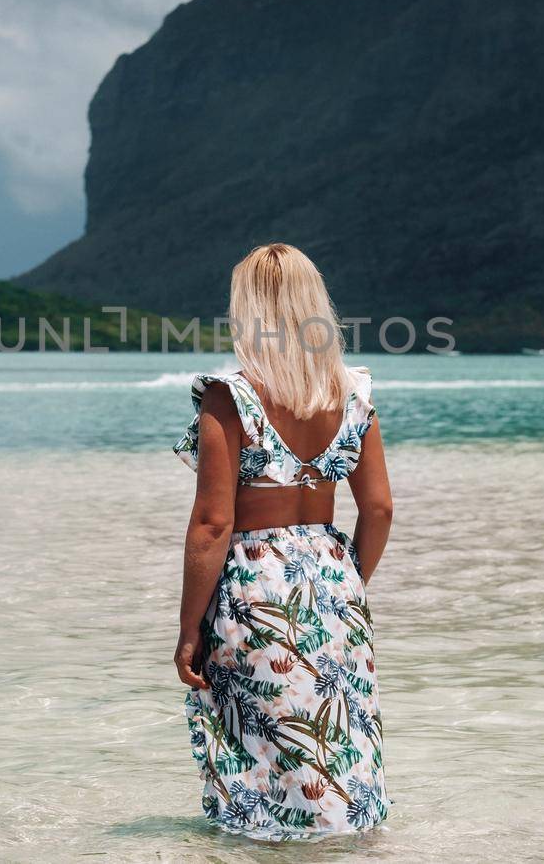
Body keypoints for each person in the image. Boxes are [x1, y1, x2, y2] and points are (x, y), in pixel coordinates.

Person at [172, 242, 393, 840]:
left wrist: (189, 629)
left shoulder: (230, 394)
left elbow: (214, 523)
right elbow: (377, 509)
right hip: (332, 576)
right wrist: (346, 583)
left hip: (254, 583)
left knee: (260, 749)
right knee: (335, 740)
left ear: (249, 309)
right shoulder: (352, 393)